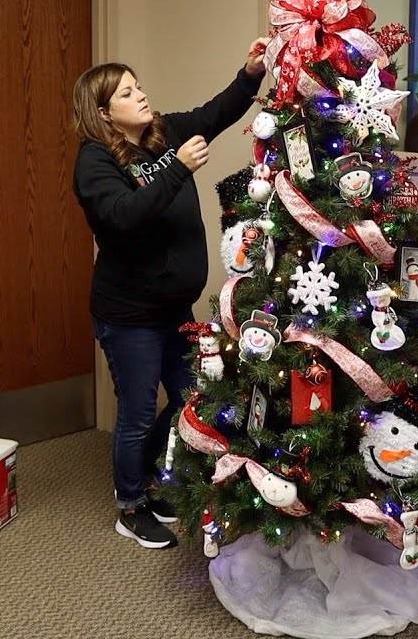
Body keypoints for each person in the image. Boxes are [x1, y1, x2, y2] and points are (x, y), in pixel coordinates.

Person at [72, 38, 269, 549]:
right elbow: (124, 218)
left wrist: (249, 72)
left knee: (189, 400)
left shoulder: (165, 133)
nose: (141, 97)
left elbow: (218, 111)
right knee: (136, 410)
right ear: (104, 113)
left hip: (173, 308)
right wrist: (177, 168)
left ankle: (149, 481)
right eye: (127, 93)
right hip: (129, 314)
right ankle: (130, 504)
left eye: (140, 88)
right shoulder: (95, 162)